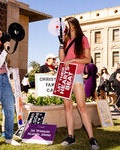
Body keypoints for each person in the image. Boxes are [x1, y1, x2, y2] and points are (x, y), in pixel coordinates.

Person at [58, 16, 99, 150]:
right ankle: (71, 136)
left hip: (76, 74)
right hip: (64, 74)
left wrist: (73, 60)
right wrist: (60, 44)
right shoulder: (65, 39)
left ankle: (92, 139)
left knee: (82, 106)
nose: (65, 27)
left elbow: (87, 59)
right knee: (67, 106)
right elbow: (62, 59)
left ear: (73, 25)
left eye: (67, 25)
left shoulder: (83, 39)